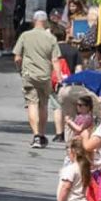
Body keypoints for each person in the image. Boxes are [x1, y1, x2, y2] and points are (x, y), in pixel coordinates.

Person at [13, 10, 63, 149]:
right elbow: (55, 60)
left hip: (29, 74)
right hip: (45, 75)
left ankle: (35, 136)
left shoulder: (25, 36)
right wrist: (59, 78)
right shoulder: (51, 38)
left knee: (32, 103)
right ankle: (41, 134)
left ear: (34, 21)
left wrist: (21, 70)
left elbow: (17, 57)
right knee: (43, 105)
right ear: (46, 21)